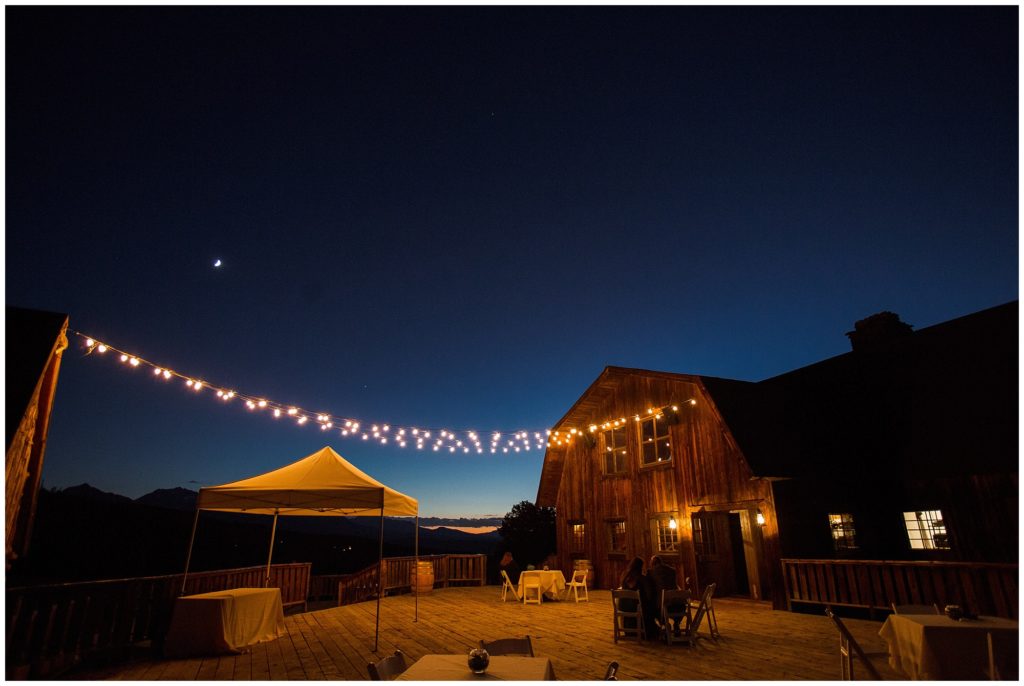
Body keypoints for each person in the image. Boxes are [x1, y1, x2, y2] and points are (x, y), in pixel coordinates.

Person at [618, 557, 658, 638]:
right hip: (637, 608)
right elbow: (649, 595)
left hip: (624, 607)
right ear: (640, 567)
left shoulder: (624, 576)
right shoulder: (641, 578)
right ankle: (648, 628)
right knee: (650, 606)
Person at [648, 555, 685, 635]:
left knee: (651, 607)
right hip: (679, 606)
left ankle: (665, 624)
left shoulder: (651, 573)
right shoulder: (672, 571)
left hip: (663, 607)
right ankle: (676, 623)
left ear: (652, 564)